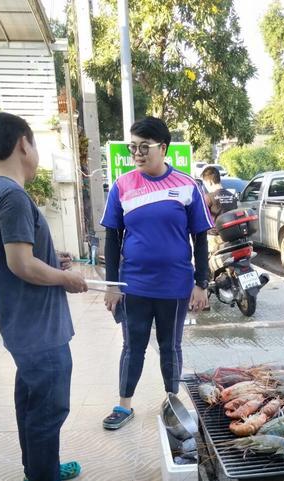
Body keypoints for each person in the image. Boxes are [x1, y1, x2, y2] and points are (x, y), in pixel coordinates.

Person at [0, 112, 87, 481]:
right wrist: (64, 277)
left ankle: (37, 467)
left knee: (30, 400)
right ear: (23, 144)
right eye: (35, 144)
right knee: (48, 406)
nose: (36, 152)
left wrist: (47, 259)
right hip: (39, 328)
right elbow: (20, 265)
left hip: (19, 323)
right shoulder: (13, 197)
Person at [100, 117, 213, 429]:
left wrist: (201, 282)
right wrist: (113, 284)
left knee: (170, 346)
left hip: (175, 286)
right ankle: (124, 406)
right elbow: (112, 237)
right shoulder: (122, 186)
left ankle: (170, 401)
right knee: (132, 346)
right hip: (133, 284)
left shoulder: (187, 186)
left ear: (163, 148)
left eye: (144, 147)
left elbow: (200, 237)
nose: (137, 153)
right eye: (132, 147)